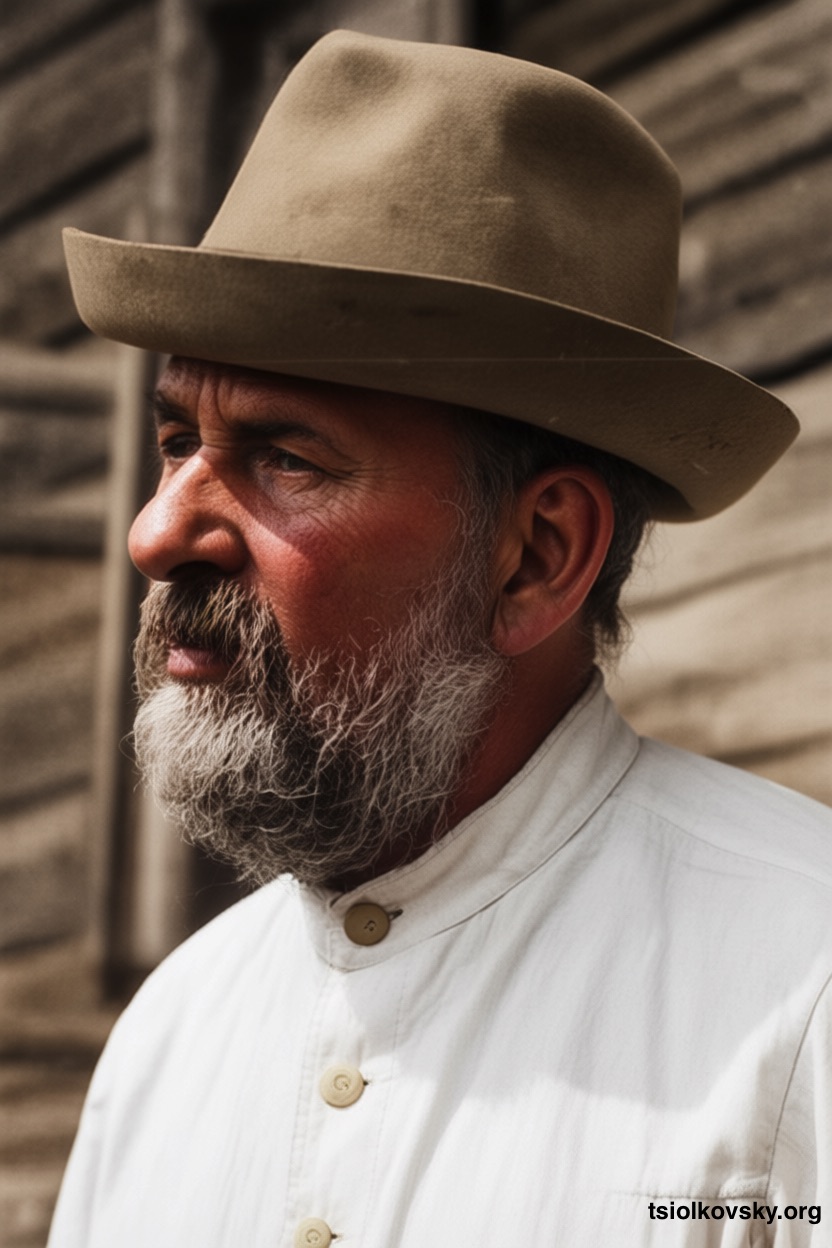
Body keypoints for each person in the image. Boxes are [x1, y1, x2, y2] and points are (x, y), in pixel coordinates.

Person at [51, 29, 829, 1247]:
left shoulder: (803, 987)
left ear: (535, 556)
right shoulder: (169, 1040)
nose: (159, 534)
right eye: (175, 443)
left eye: (283, 456)